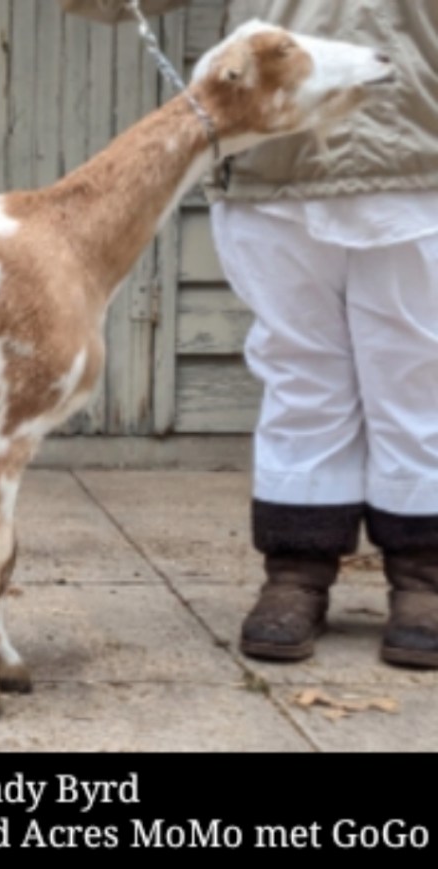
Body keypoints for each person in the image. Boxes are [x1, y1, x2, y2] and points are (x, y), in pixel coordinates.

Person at [61, 0, 438, 667]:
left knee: (417, 378)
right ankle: (296, 572)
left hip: (415, 158)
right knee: (300, 375)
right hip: (272, 164)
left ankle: (424, 578)